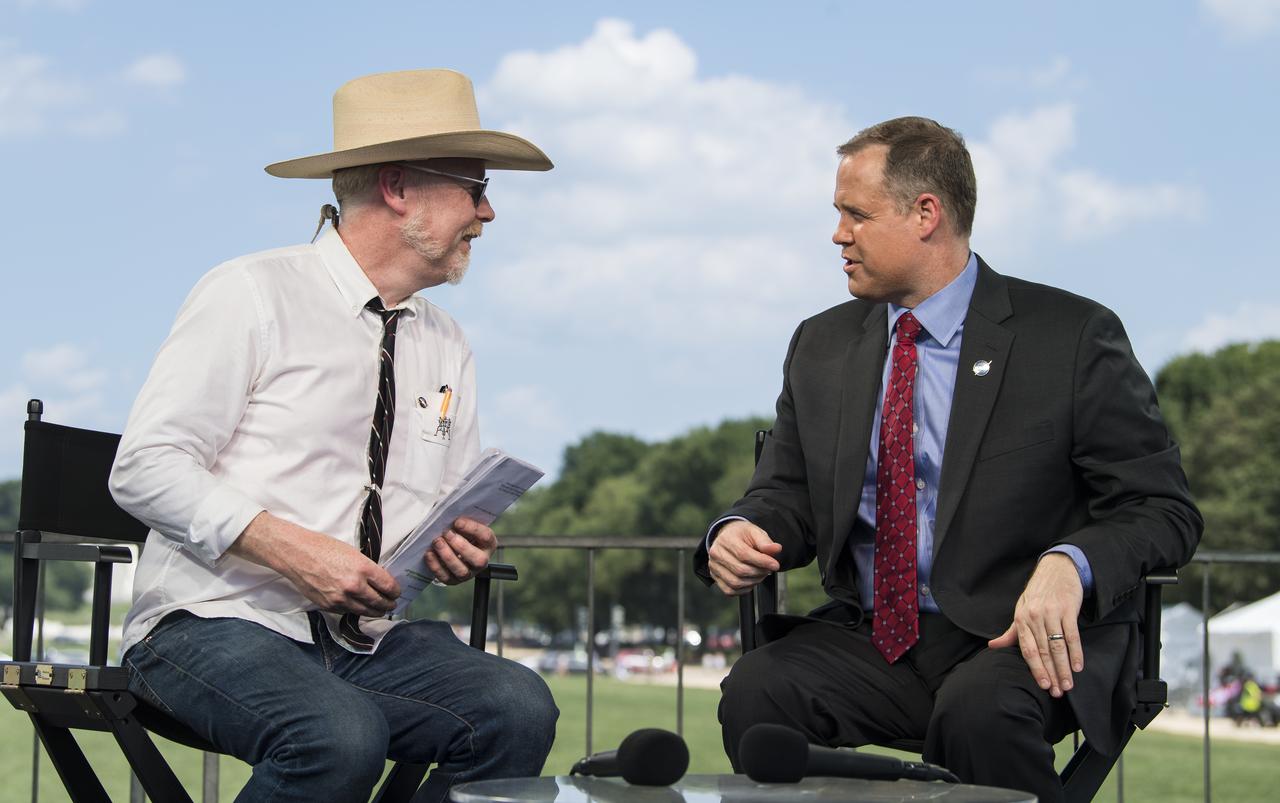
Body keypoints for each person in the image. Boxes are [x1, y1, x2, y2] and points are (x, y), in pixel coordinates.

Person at [695, 116, 1202, 802]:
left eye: (855, 214)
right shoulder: (820, 345)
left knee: (979, 712)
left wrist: (1071, 562)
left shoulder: (1071, 337)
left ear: (926, 214)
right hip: (878, 638)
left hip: (1020, 637)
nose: (838, 234)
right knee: (758, 690)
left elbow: (1161, 507)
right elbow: (783, 494)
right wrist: (738, 530)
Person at [110, 69, 558, 803]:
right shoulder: (250, 292)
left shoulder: (447, 341)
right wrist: (292, 548)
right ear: (397, 187)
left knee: (516, 709)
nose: (489, 210)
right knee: (339, 734)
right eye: (474, 186)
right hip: (212, 622)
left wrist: (455, 543)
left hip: (361, 642)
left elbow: (441, 501)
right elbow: (145, 466)